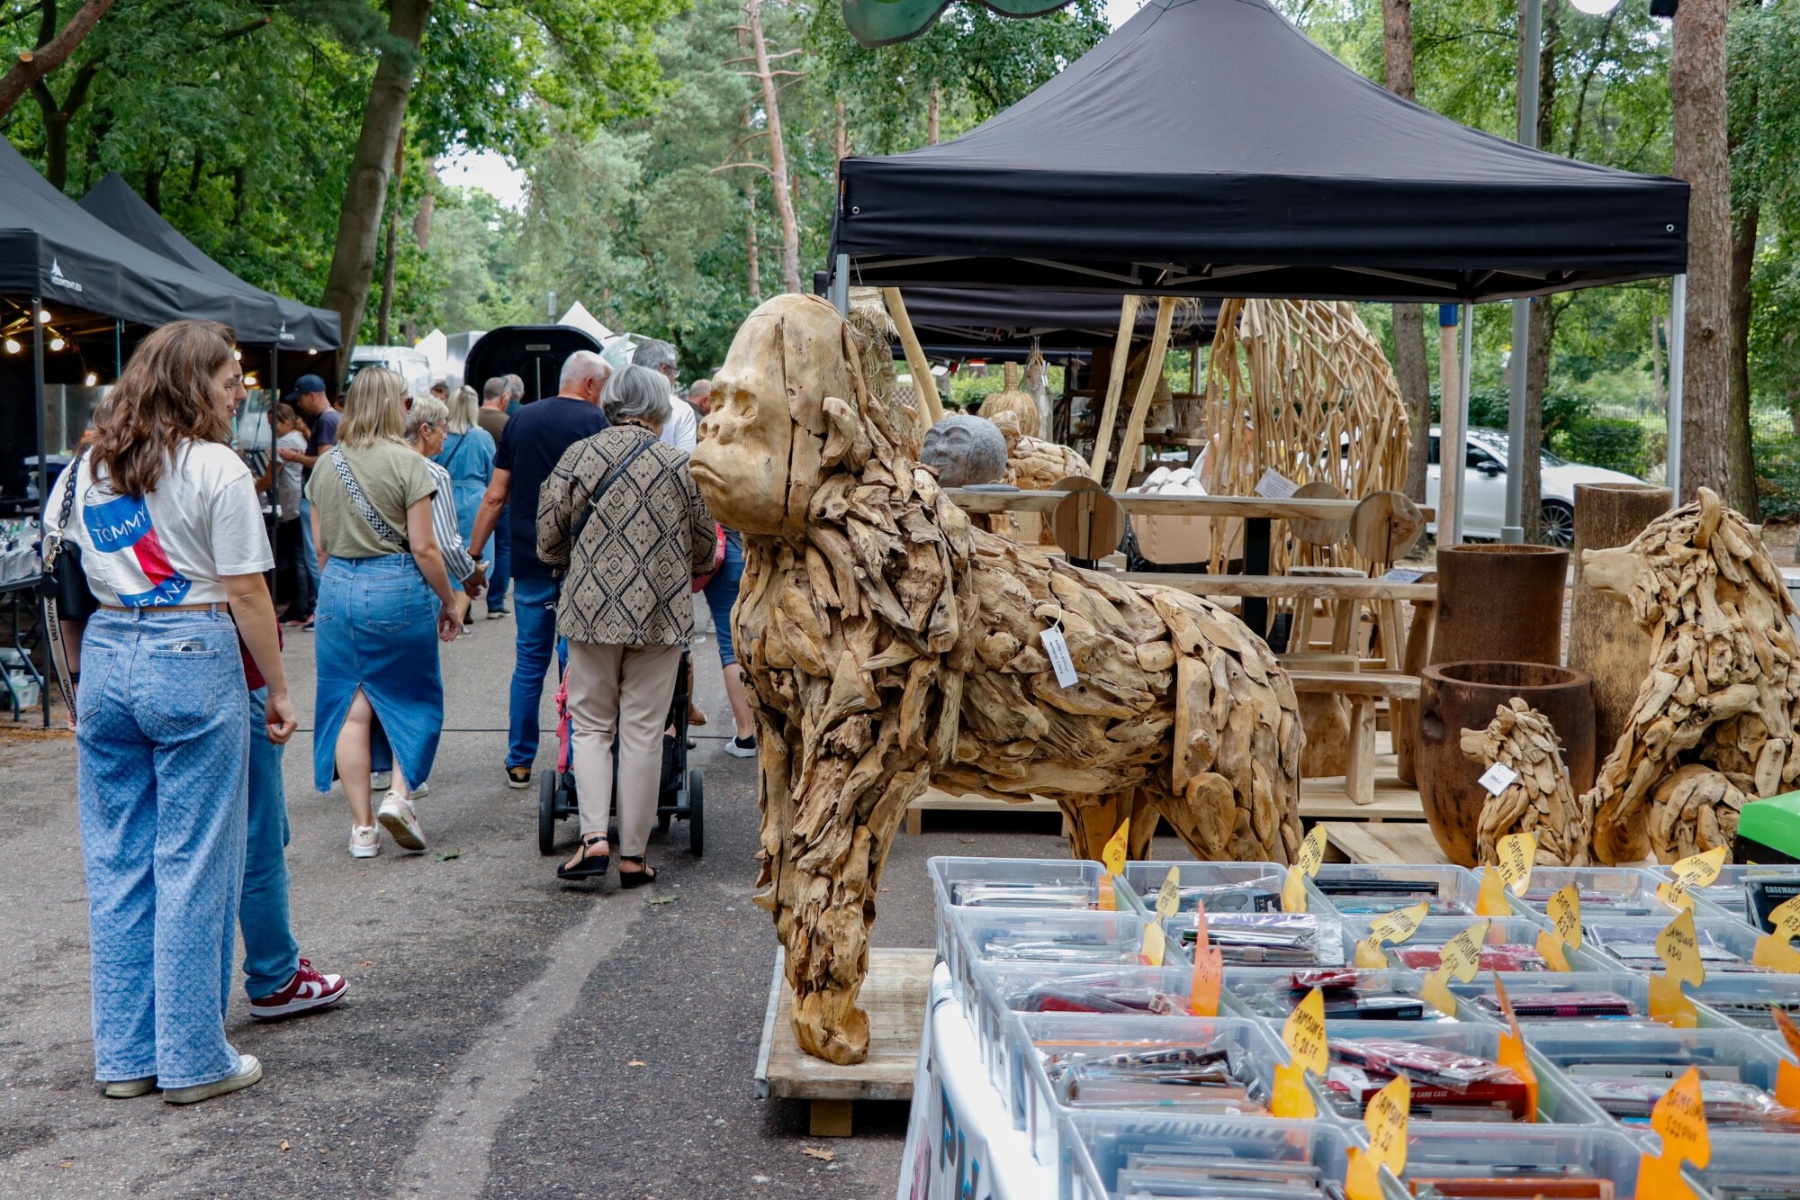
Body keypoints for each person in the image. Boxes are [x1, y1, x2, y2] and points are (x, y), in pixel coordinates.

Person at [47, 319, 297, 1104]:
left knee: (119, 861)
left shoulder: (89, 464)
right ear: (194, 384)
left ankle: (124, 1057)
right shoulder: (216, 466)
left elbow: (69, 582)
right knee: (195, 861)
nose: (238, 390)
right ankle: (192, 1058)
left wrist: (82, 680)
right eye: (229, 378)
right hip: (192, 649)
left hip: (112, 656)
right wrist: (281, 689)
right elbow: (249, 588)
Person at [537, 365, 715, 885]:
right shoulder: (683, 466)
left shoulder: (577, 458)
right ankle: (634, 857)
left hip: (590, 611)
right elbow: (705, 551)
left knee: (591, 725)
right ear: (661, 409)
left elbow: (548, 542)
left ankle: (594, 841)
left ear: (608, 405)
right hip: (660, 614)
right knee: (644, 731)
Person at [307, 367, 461, 858]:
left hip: (337, 589)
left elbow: (321, 549)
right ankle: (398, 796)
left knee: (351, 709)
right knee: (409, 697)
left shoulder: (324, 467)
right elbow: (425, 547)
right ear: (397, 405)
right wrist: (450, 601)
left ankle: (362, 829)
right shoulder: (408, 463)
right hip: (396, 586)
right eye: (406, 402)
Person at [469, 351, 608, 790]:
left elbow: (495, 496)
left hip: (531, 562)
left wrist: (473, 554)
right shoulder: (596, 425)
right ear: (589, 384)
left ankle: (520, 760)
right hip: (582, 563)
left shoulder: (520, 420)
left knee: (529, 662)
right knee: (577, 663)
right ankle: (573, 759)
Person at [408, 394, 486, 630]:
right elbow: (443, 542)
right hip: (414, 580)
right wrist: (470, 574)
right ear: (425, 430)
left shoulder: (382, 465)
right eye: (443, 427)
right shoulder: (432, 473)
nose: (446, 433)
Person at [277, 374, 338, 630]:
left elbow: (322, 461)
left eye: (301, 398)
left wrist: (294, 457)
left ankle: (324, 608)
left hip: (313, 497)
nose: (299, 405)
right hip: (325, 496)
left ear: (312, 395)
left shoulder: (325, 420)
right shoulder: (335, 418)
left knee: (314, 555)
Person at [261, 404, 310, 619]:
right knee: (303, 555)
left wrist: (251, 489)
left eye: (275, 424)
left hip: (293, 506)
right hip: (300, 503)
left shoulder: (283, 443)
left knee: (298, 557)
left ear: (286, 421)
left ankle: (301, 605)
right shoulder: (300, 437)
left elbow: (270, 477)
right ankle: (305, 602)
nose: (273, 430)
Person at [435, 384, 496, 552]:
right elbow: (493, 477)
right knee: (478, 555)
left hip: (444, 500)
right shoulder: (483, 438)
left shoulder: (440, 436)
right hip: (476, 504)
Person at [476, 378, 512, 617]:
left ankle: (464, 602)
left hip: (474, 495)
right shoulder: (507, 423)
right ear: (504, 397)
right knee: (503, 548)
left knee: (468, 546)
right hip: (504, 496)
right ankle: (495, 602)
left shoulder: (471, 419)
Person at [631, 339, 697, 454]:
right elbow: (685, 461)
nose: (674, 378)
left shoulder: (615, 401)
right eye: (675, 371)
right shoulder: (681, 410)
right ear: (663, 370)